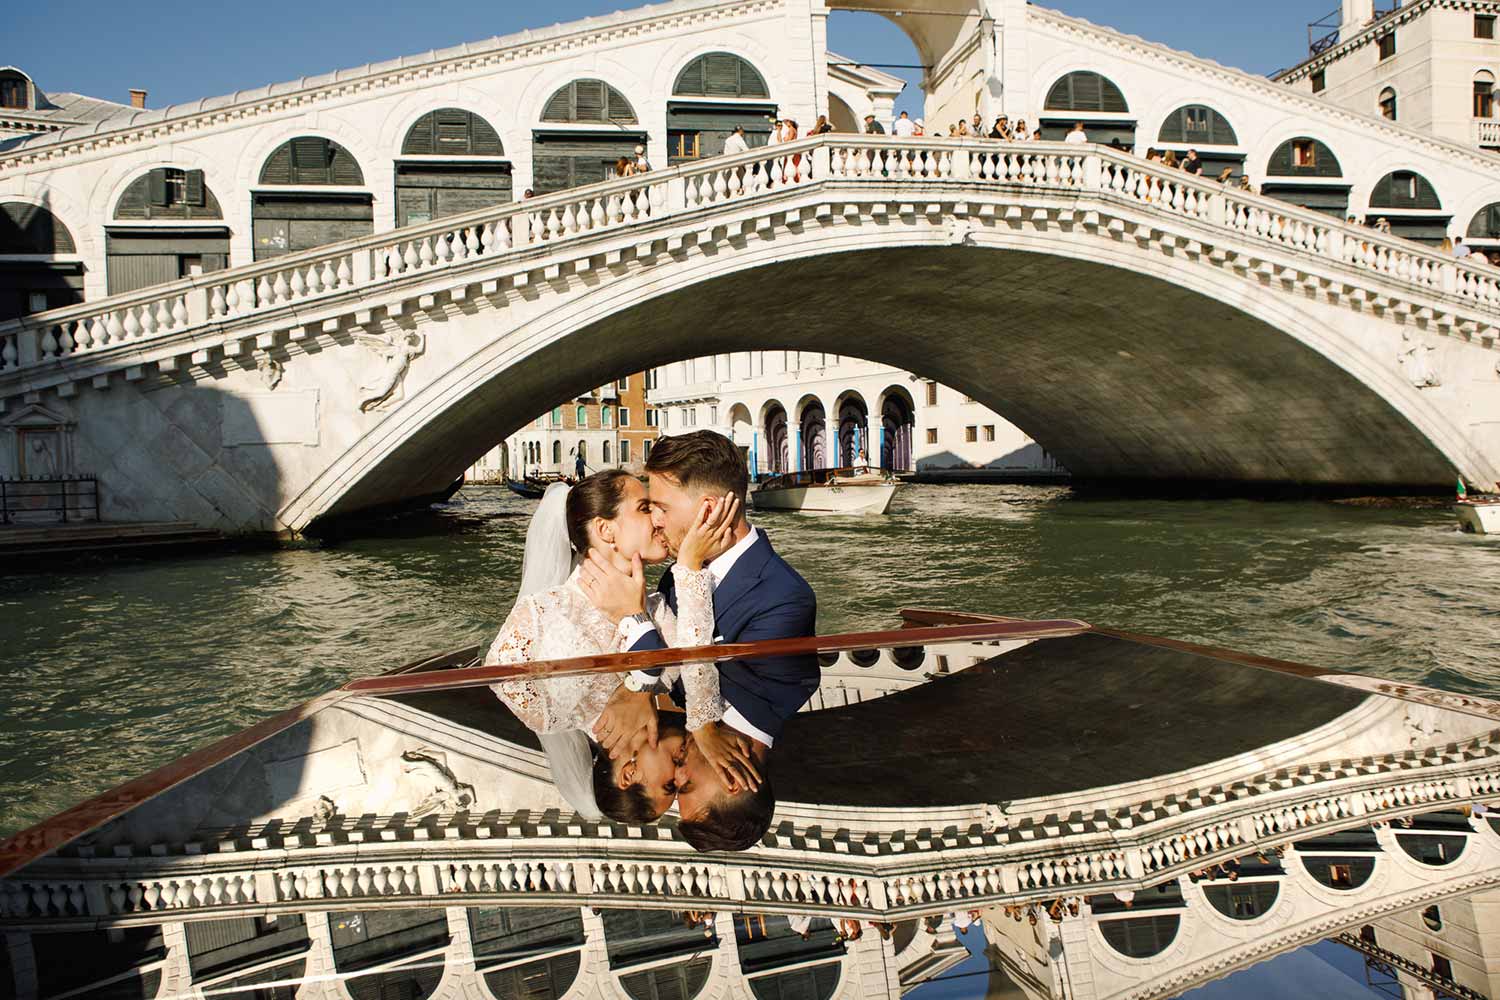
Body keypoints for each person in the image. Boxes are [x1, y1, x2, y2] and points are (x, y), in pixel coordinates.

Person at [584, 431, 819, 852]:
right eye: (687, 784)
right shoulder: (781, 606)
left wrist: (643, 688)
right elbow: (692, 662)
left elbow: (677, 666)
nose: (654, 519)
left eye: (660, 507)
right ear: (732, 780)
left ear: (708, 511)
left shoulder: (698, 572)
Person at [482, 472, 741, 823]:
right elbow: (699, 666)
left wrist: (639, 625)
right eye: (645, 508)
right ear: (607, 532)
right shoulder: (548, 613)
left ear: (628, 773)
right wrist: (689, 565)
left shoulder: (651, 606)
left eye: (668, 784)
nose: (658, 518)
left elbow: (694, 663)